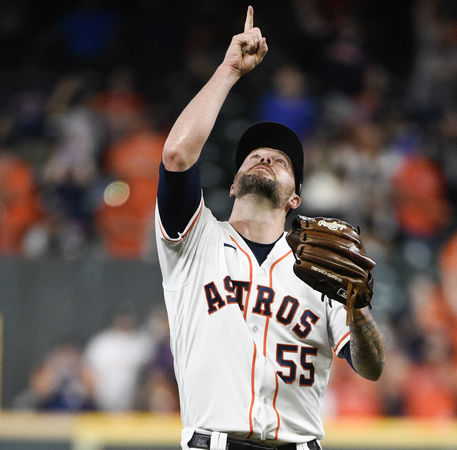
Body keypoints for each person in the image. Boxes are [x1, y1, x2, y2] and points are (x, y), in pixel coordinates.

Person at [154, 7, 386, 450]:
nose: (266, 158)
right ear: (236, 180)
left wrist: (358, 310)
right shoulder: (195, 240)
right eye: (255, 155)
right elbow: (178, 156)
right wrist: (228, 71)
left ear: (294, 198)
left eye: (281, 162)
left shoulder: (323, 269)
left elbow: (371, 366)